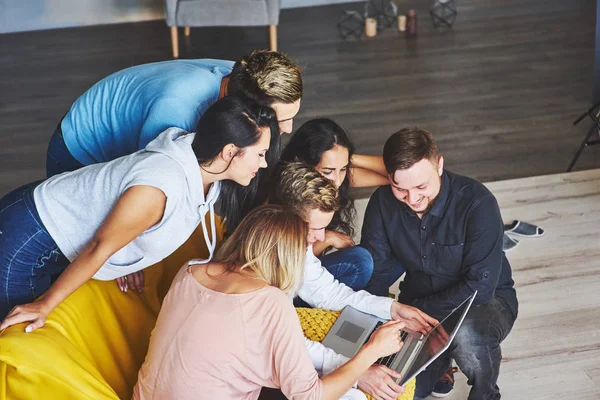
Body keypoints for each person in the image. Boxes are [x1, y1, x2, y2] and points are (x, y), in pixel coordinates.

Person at [0, 96, 278, 330]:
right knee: (16, 328)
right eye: (260, 154)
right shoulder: (160, 186)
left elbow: (129, 226)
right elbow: (99, 246)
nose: (263, 163)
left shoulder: (205, 171)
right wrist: (46, 304)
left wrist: (127, 258)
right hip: (26, 237)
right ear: (230, 151)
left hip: (50, 232)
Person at [133, 205, 407, 400]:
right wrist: (371, 351)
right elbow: (311, 396)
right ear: (288, 257)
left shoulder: (191, 270)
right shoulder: (270, 301)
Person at [360, 127, 518, 400]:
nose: (413, 199)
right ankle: (442, 362)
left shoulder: (477, 202)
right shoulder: (382, 204)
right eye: (400, 188)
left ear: (440, 166)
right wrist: (379, 319)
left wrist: (417, 314)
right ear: (389, 178)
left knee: (469, 337)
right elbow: (377, 273)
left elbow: (481, 286)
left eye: (422, 186)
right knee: (404, 390)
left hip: (483, 302)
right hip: (417, 303)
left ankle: (486, 394)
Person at [268, 162, 438, 400]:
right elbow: (287, 345)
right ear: (283, 218)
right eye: (314, 229)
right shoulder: (264, 270)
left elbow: (330, 294)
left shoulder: (295, 244)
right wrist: (358, 371)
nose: (320, 238)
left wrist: (392, 309)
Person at [46, 50, 303, 177]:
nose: (289, 129)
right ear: (247, 110)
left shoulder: (241, 78)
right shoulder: (179, 109)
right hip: (79, 150)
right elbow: (145, 176)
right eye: (282, 121)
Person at [280, 118, 389, 291]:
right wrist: (327, 239)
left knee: (392, 258)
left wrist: (345, 157)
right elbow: (285, 261)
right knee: (360, 261)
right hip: (289, 280)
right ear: (303, 165)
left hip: (310, 273)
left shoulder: (334, 179)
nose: (337, 181)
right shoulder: (287, 192)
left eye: (343, 169)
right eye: (328, 171)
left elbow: (397, 174)